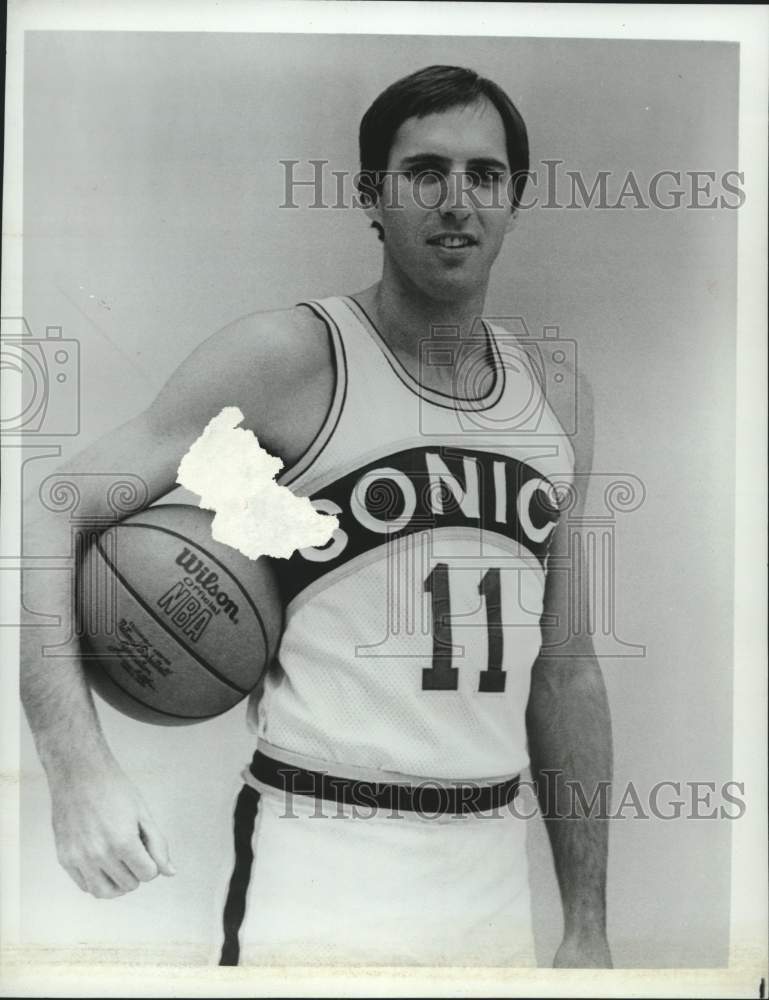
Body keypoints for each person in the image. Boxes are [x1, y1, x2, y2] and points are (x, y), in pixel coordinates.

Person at [21, 65, 613, 968]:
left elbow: (565, 671)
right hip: (322, 847)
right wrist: (76, 769)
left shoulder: (555, 393)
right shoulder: (291, 358)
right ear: (370, 195)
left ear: (514, 199)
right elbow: (47, 506)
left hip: (494, 866)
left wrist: (587, 926)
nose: (456, 200)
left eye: (484, 176)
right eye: (423, 172)